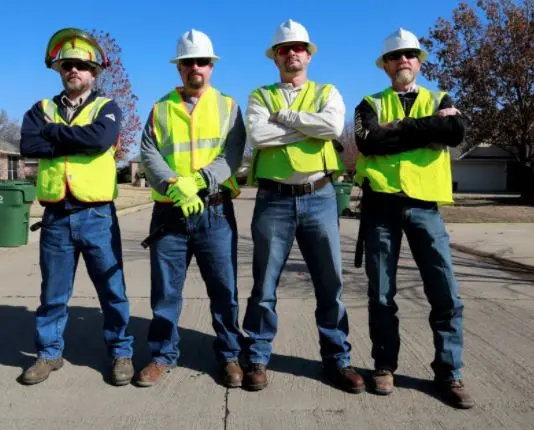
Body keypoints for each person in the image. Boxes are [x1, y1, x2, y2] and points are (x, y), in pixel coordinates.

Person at [241, 19, 365, 393]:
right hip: (273, 200)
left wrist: (289, 119)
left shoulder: (328, 91)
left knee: (331, 284)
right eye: (284, 48)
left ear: (308, 55)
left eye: (298, 48)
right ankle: (257, 357)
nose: (291, 53)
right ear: (275, 57)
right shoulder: (260, 95)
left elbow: (331, 127)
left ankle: (338, 359)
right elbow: (258, 134)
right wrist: (308, 127)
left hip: (321, 197)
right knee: (264, 284)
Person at [353, 28, 474, 408]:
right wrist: (427, 129)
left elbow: (455, 131)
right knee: (381, 294)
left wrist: (399, 131)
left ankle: (449, 373)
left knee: (445, 294)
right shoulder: (369, 103)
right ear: (386, 65)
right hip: (381, 208)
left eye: (410, 54)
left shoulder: (441, 97)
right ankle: (384, 366)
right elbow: (369, 141)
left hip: (426, 207)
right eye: (396, 56)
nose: (403, 60)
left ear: (419, 62)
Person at [19, 28, 134, 386]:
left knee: (112, 291)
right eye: (68, 65)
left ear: (94, 72)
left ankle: (121, 352)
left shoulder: (108, 107)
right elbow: (28, 145)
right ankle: (49, 354)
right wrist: (73, 140)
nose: (74, 71)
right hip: (55, 217)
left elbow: (99, 139)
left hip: (97, 215)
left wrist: (53, 134)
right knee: (53, 293)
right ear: (59, 69)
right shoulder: (42, 109)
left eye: (81, 66)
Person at [138, 29, 246, 388]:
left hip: (214, 212)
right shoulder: (160, 107)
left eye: (202, 62)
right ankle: (162, 355)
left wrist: (197, 181)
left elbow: (231, 154)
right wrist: (173, 185)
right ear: (179, 68)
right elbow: (149, 154)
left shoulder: (229, 106)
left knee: (224, 288)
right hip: (170, 214)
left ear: (211, 67)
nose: (195, 67)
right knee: (166, 291)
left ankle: (230, 354)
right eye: (188, 63)